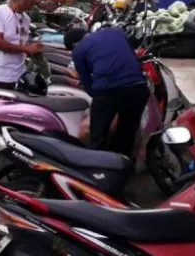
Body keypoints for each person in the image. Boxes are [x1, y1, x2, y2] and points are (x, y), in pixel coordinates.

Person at [64, 27, 149, 158]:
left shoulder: (78, 51)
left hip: (107, 91)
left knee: (98, 136)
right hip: (138, 87)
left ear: (74, 45)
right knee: (127, 134)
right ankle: (123, 165)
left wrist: (99, 100)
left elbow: (87, 82)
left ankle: (98, 169)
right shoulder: (115, 31)